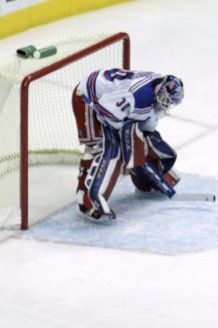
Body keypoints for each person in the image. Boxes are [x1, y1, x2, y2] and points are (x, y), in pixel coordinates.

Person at [71, 68, 184, 221]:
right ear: (159, 89)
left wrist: (134, 143)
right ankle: (86, 200)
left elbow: (146, 127)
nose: (165, 103)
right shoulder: (138, 94)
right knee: (100, 147)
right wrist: (125, 139)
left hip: (113, 104)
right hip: (89, 97)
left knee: (141, 140)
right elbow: (108, 114)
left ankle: (147, 182)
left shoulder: (156, 92)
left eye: (169, 101)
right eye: (164, 97)